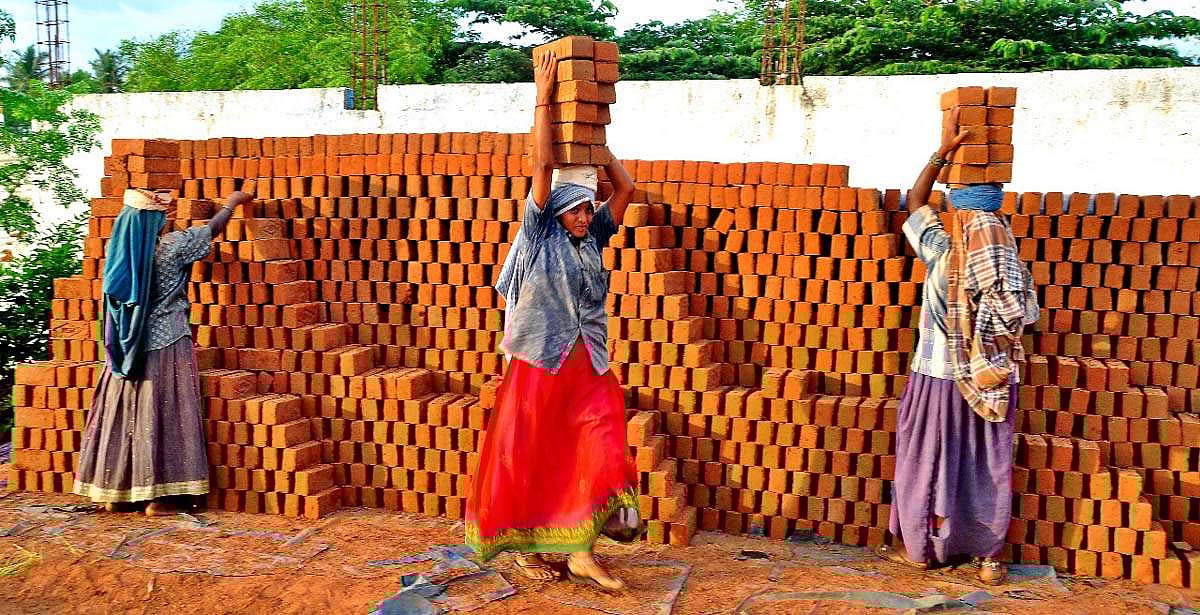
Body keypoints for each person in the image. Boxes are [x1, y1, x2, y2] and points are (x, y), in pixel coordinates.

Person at [466, 50, 640, 591]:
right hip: (541, 358)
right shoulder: (540, 233)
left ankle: (581, 548)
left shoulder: (593, 237)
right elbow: (542, 168)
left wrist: (600, 150)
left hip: (588, 360)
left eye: (588, 209)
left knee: (600, 440)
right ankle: (529, 546)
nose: (585, 216)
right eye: (576, 210)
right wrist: (542, 99)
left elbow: (627, 191)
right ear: (555, 211)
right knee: (535, 452)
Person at [877, 111, 1039, 585]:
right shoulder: (1010, 266)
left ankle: (919, 550)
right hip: (991, 382)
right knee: (984, 468)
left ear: (959, 214)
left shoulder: (942, 253)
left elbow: (914, 202)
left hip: (936, 378)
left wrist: (942, 152)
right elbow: (1024, 321)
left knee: (925, 460)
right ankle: (988, 558)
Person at [74, 186, 254, 516]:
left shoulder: (118, 254)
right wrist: (233, 202)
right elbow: (211, 229)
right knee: (165, 414)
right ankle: (161, 498)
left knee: (124, 414)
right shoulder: (172, 247)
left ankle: (117, 494)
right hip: (167, 340)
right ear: (154, 222)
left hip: (125, 348)